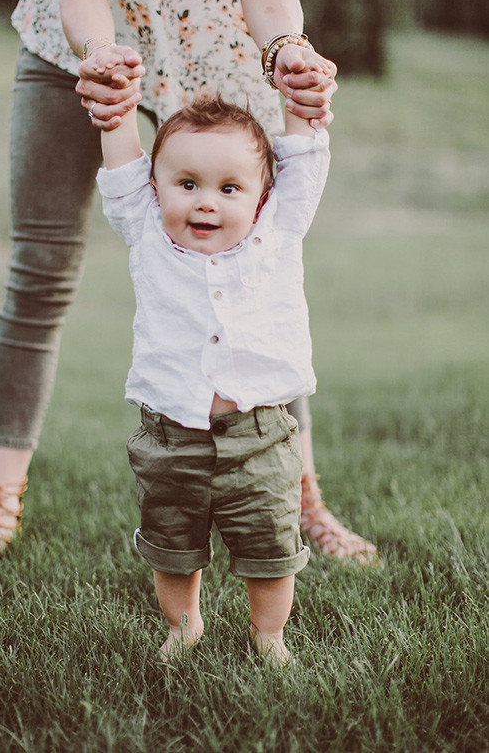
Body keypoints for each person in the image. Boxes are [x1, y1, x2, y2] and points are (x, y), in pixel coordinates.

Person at [0, 0, 376, 590]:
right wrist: (99, 58)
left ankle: (300, 496)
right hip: (79, 41)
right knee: (40, 271)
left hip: (224, 47)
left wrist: (288, 52)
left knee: (261, 270)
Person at [97, 89, 329, 664]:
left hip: (260, 435)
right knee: (172, 547)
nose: (205, 203)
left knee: (272, 548)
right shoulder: (147, 232)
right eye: (187, 184)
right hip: (170, 436)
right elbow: (123, 168)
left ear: (262, 198)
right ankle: (183, 628)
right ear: (156, 190)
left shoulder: (277, 233)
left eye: (229, 189)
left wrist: (300, 90)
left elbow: (302, 159)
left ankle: (269, 637)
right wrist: (116, 111)